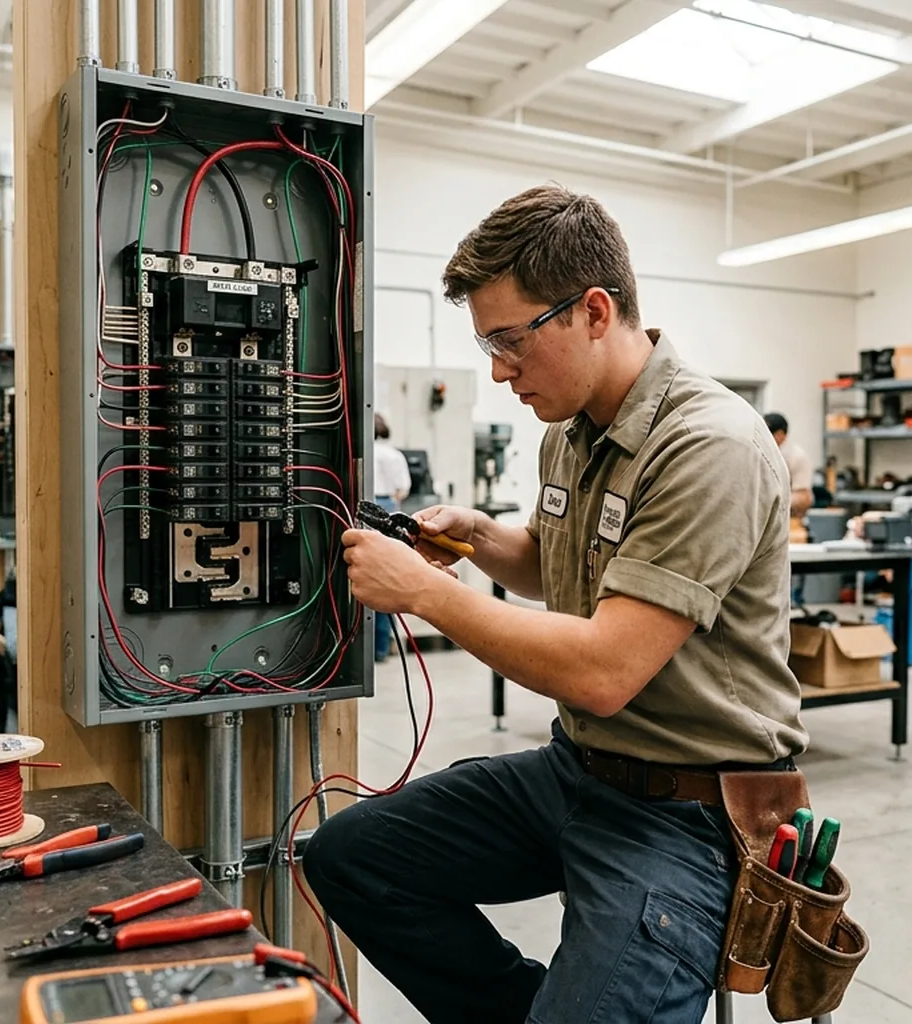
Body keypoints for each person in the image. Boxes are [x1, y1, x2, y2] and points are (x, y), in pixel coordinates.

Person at [305, 184, 806, 1023]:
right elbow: (554, 566)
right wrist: (479, 539)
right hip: (576, 773)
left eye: (510, 340)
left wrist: (427, 591)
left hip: (689, 812)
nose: (499, 370)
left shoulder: (707, 443)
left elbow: (606, 670)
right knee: (351, 856)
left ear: (595, 310)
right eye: (487, 343)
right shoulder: (567, 432)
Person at [370, 413, 411, 662]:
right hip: (387, 508)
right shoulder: (393, 454)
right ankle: (381, 649)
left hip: (362, 507)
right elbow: (402, 489)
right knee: (385, 576)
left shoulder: (361, 451)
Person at [764, 412, 814, 519]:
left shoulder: (797, 456)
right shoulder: (761, 453)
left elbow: (803, 497)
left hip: (789, 521)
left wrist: (769, 504)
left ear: (780, 435)